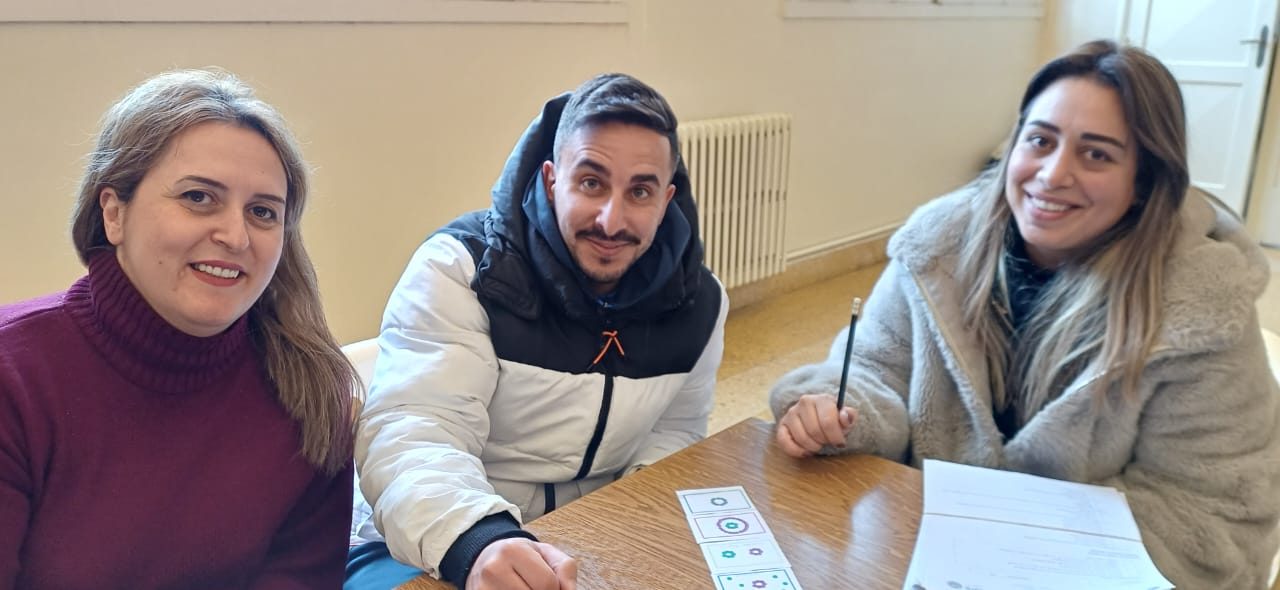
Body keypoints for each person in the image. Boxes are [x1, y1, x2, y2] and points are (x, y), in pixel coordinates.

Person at [770, 40, 1279, 588]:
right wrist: (838, 413)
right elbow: (875, 371)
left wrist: (1024, 557)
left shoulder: (1204, 310)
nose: (1053, 174)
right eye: (1040, 140)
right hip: (917, 560)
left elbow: (1212, 514)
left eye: (1097, 154)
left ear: (1144, 182)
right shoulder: (935, 248)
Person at [347, 73, 728, 590]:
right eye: (591, 183)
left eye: (640, 191)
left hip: (591, 536)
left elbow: (675, 432)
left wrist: (635, 524)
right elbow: (415, 427)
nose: (611, 220)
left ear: (666, 201)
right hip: (434, 537)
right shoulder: (459, 268)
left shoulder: (702, 303)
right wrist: (477, 539)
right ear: (552, 181)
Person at [0, 70, 358, 589]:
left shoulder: (309, 393)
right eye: (198, 197)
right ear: (113, 213)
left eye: (262, 212)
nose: (235, 236)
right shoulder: (15, 377)